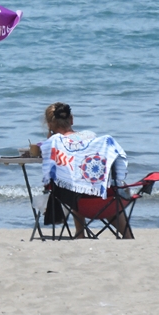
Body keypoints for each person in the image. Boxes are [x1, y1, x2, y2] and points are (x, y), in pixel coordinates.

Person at [39, 102, 134, 239]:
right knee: (88, 183)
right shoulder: (91, 136)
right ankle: (128, 236)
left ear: (49, 124)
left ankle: (80, 233)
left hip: (79, 201)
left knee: (73, 184)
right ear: (71, 119)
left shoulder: (54, 142)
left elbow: (50, 174)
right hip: (108, 198)